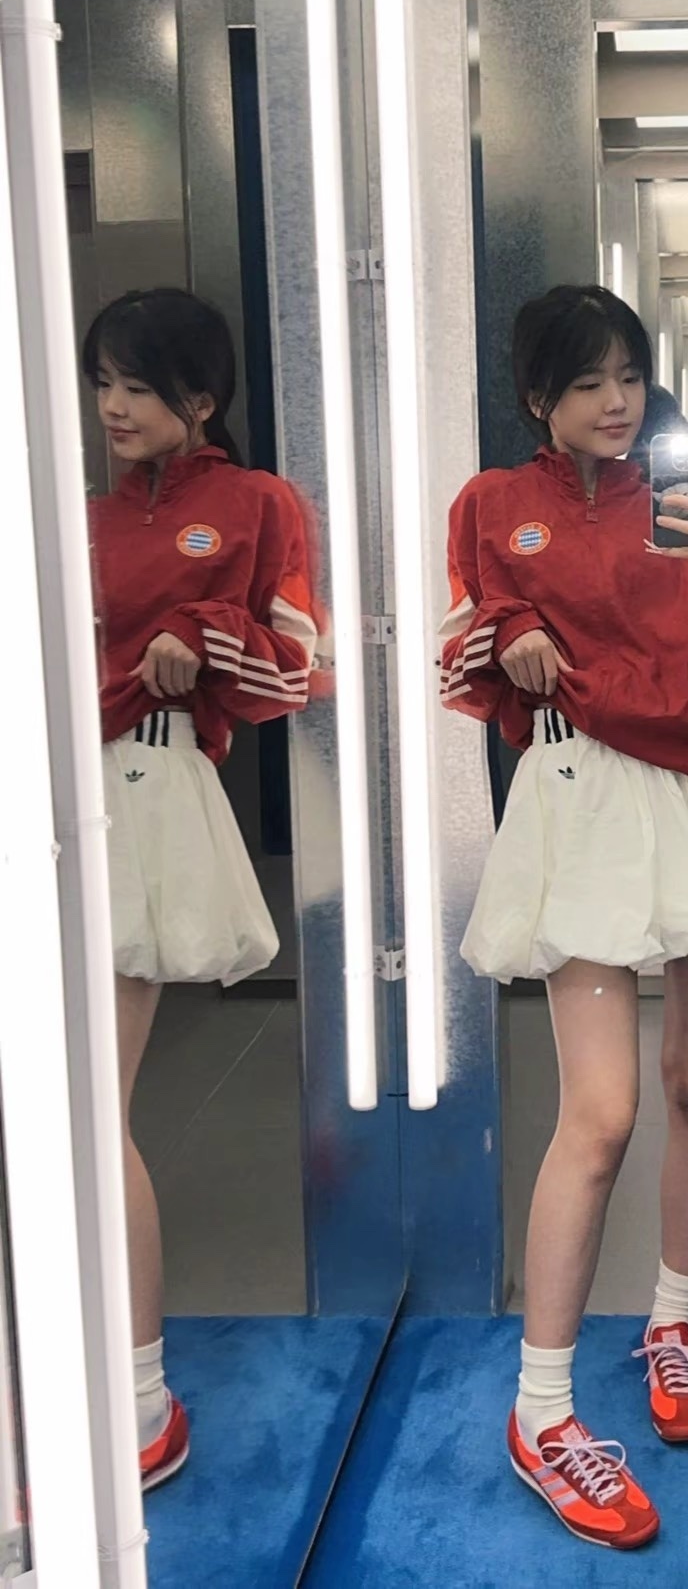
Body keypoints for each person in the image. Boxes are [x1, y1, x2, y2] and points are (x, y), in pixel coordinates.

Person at [438, 284, 688, 1549]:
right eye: (585, 382)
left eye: (626, 374)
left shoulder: (684, 503)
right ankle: (541, 1410)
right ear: (535, 398)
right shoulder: (491, 506)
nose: (615, 401)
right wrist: (513, 631)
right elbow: (466, 655)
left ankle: (672, 1325)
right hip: (580, 802)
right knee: (601, 1111)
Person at [85, 288, 318, 1491]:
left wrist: (204, 637)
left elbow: (296, 670)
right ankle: (72, 1381)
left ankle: (139, 1393)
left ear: (202, 396)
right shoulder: (75, 515)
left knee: (88, 1106)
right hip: (48, 798)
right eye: (103, 383)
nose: (113, 406)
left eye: (137, 383)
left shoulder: (257, 503)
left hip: (148, 789)